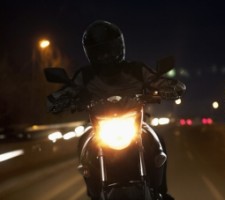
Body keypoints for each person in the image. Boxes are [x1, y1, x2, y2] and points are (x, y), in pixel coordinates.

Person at [47, 20, 186, 200]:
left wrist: (170, 87)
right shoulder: (85, 75)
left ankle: (160, 191)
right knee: (84, 140)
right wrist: (60, 100)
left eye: (109, 50)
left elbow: (156, 81)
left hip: (133, 125)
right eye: (99, 51)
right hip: (101, 128)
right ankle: (95, 194)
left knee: (157, 138)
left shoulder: (136, 69)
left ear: (119, 47)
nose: (105, 56)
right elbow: (68, 91)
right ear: (90, 53)